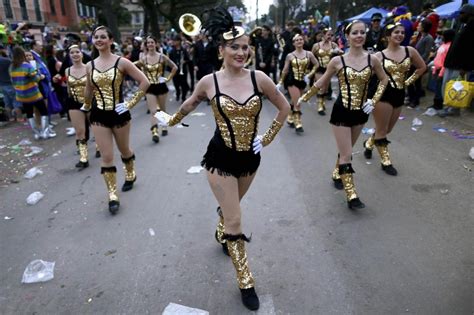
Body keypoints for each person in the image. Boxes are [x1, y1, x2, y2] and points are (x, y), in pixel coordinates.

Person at [155, 7, 290, 310]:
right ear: (221, 49)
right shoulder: (208, 81)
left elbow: (285, 108)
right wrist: (170, 120)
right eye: (234, 46)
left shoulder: (260, 79)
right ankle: (246, 281)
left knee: (231, 211)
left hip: (250, 160)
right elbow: (189, 105)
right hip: (220, 158)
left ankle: (222, 227)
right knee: (236, 218)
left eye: (245, 47)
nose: (241, 52)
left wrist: (265, 139)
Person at [298, 20, 388, 209]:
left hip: (361, 112)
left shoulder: (374, 59)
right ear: (346, 37)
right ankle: (351, 194)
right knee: (347, 154)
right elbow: (321, 82)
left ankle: (336, 171)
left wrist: (373, 100)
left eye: (362, 32)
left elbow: (384, 80)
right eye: (355, 33)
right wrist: (304, 97)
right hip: (341, 111)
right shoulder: (337, 60)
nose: (359, 36)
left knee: (345, 149)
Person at [82, 26, 150, 214]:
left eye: (103, 37)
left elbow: (145, 82)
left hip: (119, 113)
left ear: (111, 40)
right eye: (96, 37)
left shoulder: (122, 62)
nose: (99, 40)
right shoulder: (90, 65)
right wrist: (86, 106)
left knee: (124, 149)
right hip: (98, 115)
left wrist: (130, 103)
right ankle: (112, 195)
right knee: (106, 156)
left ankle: (130, 173)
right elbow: (89, 88)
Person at [362, 23, 426, 175]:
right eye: (396, 32)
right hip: (383, 94)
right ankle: (386, 161)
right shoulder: (378, 56)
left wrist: (407, 82)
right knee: (383, 130)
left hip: (399, 93)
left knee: (387, 129)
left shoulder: (410, 50)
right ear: (387, 36)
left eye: (402, 32)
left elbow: (422, 67)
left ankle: (369, 143)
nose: (400, 35)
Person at [134, 35, 177, 143]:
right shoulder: (143, 59)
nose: (150, 44)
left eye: (152, 42)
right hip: (150, 87)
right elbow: (132, 67)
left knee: (162, 109)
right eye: (148, 43)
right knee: (154, 111)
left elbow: (174, 67)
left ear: (156, 44)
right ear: (146, 45)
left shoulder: (162, 57)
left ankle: (164, 126)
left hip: (161, 86)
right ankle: (154, 132)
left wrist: (167, 79)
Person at [277, 33, 318, 132]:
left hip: (302, 81)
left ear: (303, 41)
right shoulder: (290, 56)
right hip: (292, 80)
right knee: (298, 101)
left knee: (295, 101)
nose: (299, 41)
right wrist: (280, 82)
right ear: (294, 43)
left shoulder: (309, 54)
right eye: (297, 40)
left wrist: (309, 75)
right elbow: (285, 70)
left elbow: (316, 64)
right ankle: (298, 122)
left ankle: (290, 116)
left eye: (301, 39)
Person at [438, 4, 474, 117]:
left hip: (460, 65)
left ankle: (453, 109)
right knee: (448, 85)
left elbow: (471, 49)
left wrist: (464, 67)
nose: (460, 15)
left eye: (462, 13)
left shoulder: (472, 28)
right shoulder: (462, 26)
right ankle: (448, 107)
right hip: (452, 63)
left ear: (470, 14)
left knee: (455, 87)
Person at [9, 46, 50, 139]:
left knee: (29, 114)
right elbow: (35, 78)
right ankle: (44, 132)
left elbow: (13, 81)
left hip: (22, 95)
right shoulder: (27, 66)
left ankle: (36, 133)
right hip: (33, 94)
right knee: (44, 112)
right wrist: (41, 76)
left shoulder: (12, 67)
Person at [65, 45, 90, 168]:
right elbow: (69, 88)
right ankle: (83, 157)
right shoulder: (67, 70)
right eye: (72, 52)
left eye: (77, 52)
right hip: (74, 102)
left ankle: (98, 147)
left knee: (96, 127)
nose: (75, 54)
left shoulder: (89, 68)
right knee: (80, 131)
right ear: (69, 55)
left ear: (82, 54)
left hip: (90, 101)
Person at [311, 28, 342, 115]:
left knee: (325, 88)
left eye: (331, 35)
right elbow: (311, 56)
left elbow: (341, 53)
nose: (330, 37)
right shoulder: (316, 45)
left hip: (329, 69)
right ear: (323, 35)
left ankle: (322, 102)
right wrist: (310, 69)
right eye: (328, 35)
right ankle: (320, 106)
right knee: (321, 86)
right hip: (319, 68)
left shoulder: (334, 45)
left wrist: (338, 51)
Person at [407, 19, 433, 108]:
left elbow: (426, 52)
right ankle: (411, 98)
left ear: (424, 27)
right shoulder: (419, 36)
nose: (417, 26)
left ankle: (415, 100)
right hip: (413, 62)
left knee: (417, 82)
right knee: (409, 81)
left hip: (419, 64)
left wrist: (418, 62)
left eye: (419, 25)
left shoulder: (428, 38)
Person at [0, 44, 23, 121]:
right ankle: (19, 117)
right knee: (16, 101)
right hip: (11, 83)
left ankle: (11, 118)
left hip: (2, 85)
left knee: (7, 102)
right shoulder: (6, 60)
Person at [168, 36, 191, 102]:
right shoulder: (172, 51)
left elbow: (188, 59)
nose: (174, 42)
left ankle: (183, 97)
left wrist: (184, 61)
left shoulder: (183, 50)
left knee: (183, 84)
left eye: (175, 41)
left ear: (179, 41)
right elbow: (169, 61)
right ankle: (178, 93)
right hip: (175, 71)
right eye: (174, 41)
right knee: (176, 84)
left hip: (183, 70)